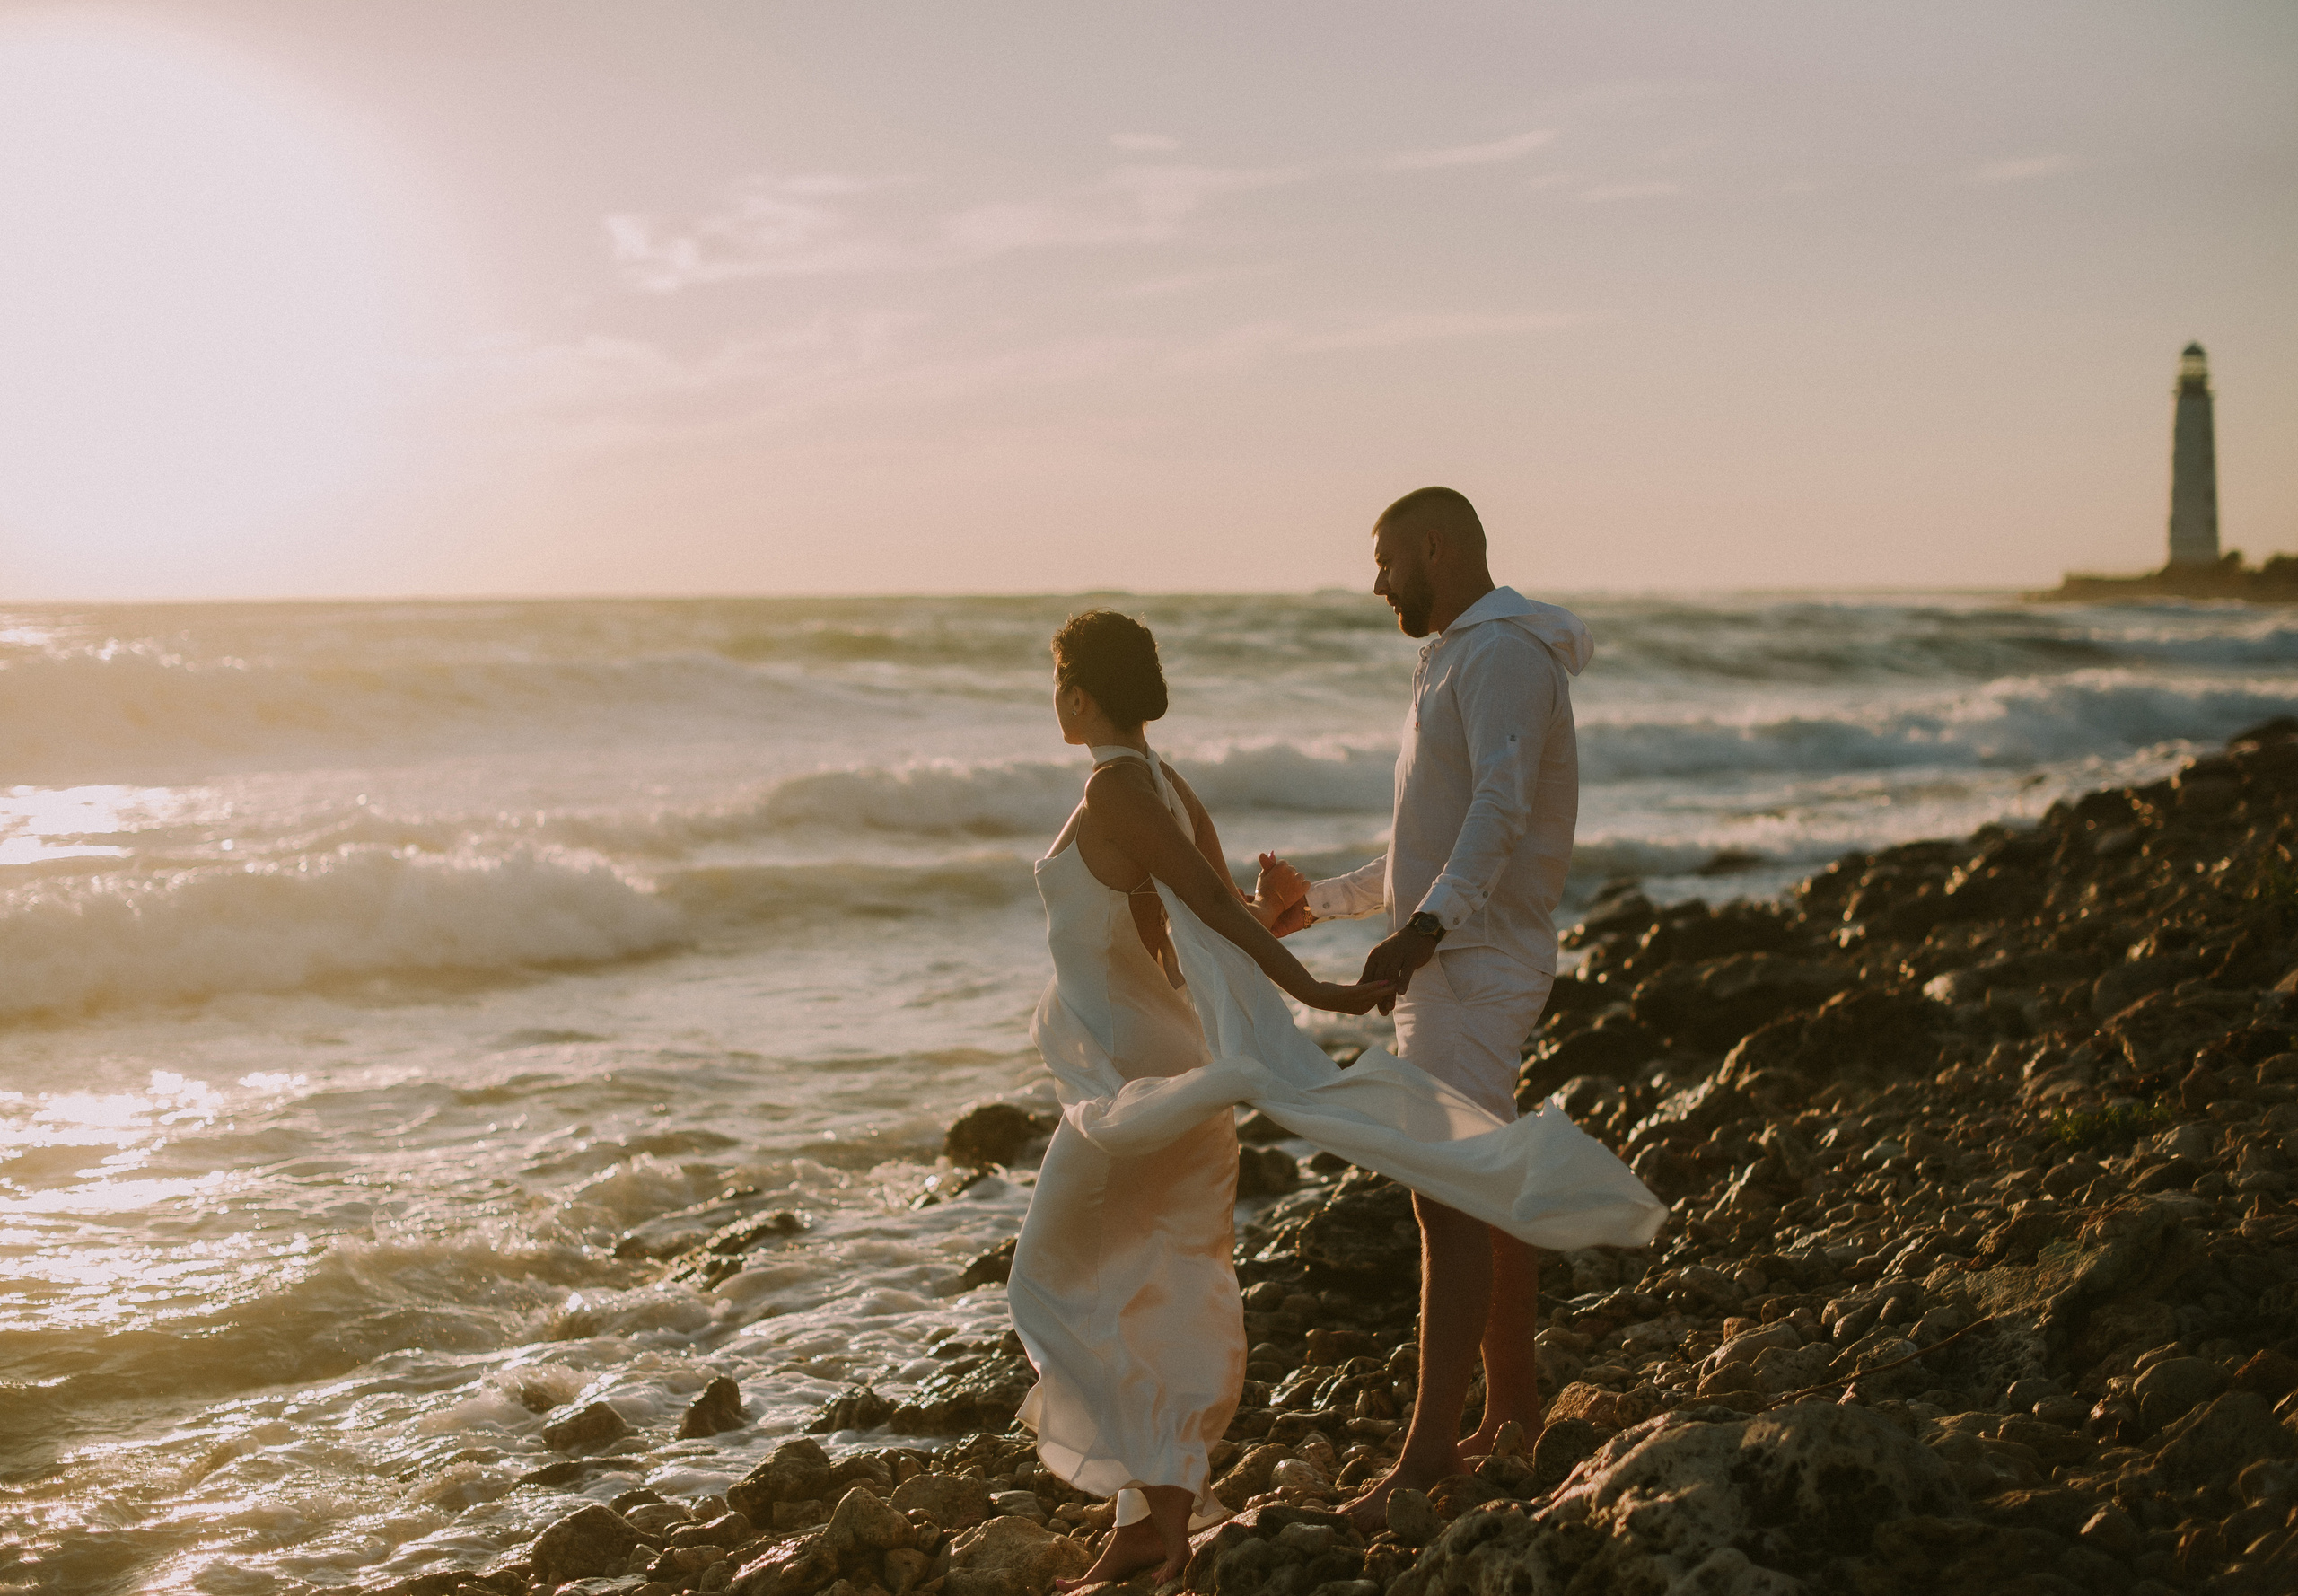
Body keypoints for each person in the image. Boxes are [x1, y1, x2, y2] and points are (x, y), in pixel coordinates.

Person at [1008, 603, 1661, 1587]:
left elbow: (1218, 909)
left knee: (1053, 1283)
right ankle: (1149, 1521)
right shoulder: (1159, 784)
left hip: (1141, 1086)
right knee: (1156, 1280)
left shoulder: (1116, 792)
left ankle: (1152, 1508)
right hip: (1149, 1067)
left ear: (1081, 690)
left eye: (1058, 679)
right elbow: (1200, 922)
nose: (1052, 697)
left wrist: (1318, 990)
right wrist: (1288, 925)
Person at [1278, 486, 1597, 1522]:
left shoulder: (1501, 652)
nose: (1377, 585)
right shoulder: (1459, 653)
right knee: (1482, 1184)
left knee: (1444, 1194)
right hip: (1457, 956)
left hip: (1474, 967)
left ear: (1433, 545)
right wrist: (1316, 905)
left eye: (1384, 563)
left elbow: (1502, 807)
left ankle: (1425, 1459)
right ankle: (1510, 1412)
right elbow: (1430, 846)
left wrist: (1422, 934)